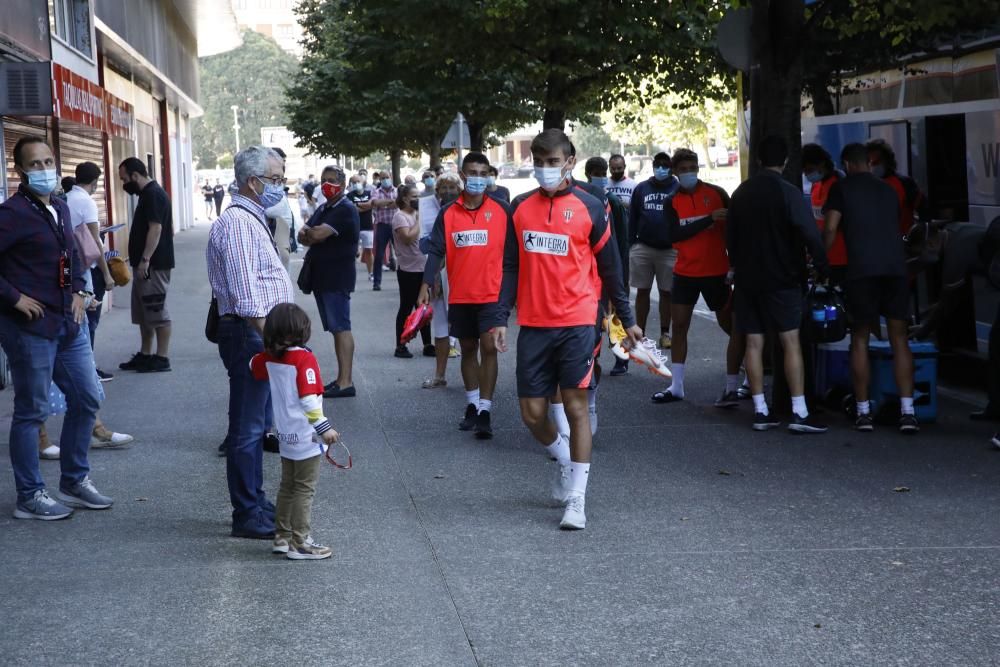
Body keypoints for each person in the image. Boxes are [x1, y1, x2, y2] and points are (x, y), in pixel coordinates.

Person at [494, 129, 641, 530]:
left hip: (578, 321)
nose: (544, 169)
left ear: (570, 161)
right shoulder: (520, 208)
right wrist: (499, 316)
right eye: (538, 162)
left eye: (552, 161)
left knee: (576, 407)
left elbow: (611, 268)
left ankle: (577, 500)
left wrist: (626, 320)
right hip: (534, 325)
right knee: (532, 414)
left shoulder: (592, 206)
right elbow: (510, 265)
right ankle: (562, 457)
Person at [0, 136, 109, 520]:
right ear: (20, 171)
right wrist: (14, 298)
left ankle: (74, 481)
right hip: (29, 327)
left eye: (49, 161)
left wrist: (80, 288)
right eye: (35, 164)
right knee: (32, 411)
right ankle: (30, 495)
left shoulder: (60, 207)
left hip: (68, 322)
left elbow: (74, 255)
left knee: (87, 396)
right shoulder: (11, 214)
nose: (45, 169)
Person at [207, 145, 295, 539]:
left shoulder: (251, 218)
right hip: (250, 334)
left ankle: (255, 502)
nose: (281, 187)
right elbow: (246, 296)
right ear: (253, 182)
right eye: (275, 180)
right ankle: (246, 512)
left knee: (256, 425)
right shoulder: (240, 223)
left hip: (256, 333)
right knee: (246, 428)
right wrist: (275, 342)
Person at [727, 135, 829, 434]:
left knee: (754, 343)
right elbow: (809, 232)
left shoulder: (741, 193)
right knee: (790, 341)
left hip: (748, 279)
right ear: (785, 162)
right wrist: (821, 264)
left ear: (758, 160)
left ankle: (760, 409)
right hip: (783, 278)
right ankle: (799, 410)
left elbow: (731, 238)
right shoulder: (789, 192)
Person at [823, 143, 918, 434]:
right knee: (899, 338)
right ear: (868, 162)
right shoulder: (889, 190)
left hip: (861, 270)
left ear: (848, 164)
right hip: (895, 269)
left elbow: (829, 229)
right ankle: (908, 411)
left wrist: (819, 259)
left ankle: (864, 412)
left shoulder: (842, 189)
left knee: (861, 338)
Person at [420, 153, 509, 438]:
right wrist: (426, 282)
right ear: (462, 174)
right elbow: (435, 250)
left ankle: (485, 409)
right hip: (460, 295)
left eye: (484, 172)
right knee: (468, 350)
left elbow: (513, 257)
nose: (478, 178)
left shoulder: (502, 211)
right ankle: (471, 405)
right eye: (473, 172)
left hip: (492, 295)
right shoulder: (448, 213)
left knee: (489, 348)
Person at [652, 148, 744, 407]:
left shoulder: (717, 194)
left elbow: (733, 232)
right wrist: (708, 219)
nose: (689, 173)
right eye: (683, 169)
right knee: (679, 327)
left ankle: (737, 383)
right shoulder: (671, 201)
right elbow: (673, 236)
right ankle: (677, 386)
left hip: (717, 272)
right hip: (685, 273)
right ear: (675, 172)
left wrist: (734, 266)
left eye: (692, 167)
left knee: (732, 327)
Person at [250, 303, 340, 560]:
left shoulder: (269, 358)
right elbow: (309, 399)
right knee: (304, 489)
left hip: (285, 434)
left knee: (288, 486)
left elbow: (252, 366)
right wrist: (325, 428)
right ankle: (300, 542)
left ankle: (283, 535)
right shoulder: (304, 358)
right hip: (306, 434)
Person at [298, 165, 360, 399]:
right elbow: (302, 234)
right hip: (324, 277)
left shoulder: (344, 209)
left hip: (337, 277)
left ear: (343, 185)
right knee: (335, 329)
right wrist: (310, 234)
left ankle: (346, 381)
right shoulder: (326, 207)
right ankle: (342, 379)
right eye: (324, 180)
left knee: (341, 327)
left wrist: (311, 234)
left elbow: (313, 235)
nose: (326, 184)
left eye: (332, 180)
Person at [117, 157, 174, 373]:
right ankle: (146, 354)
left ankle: (161, 358)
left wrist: (145, 260)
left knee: (156, 308)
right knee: (144, 312)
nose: (124, 183)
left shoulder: (153, 194)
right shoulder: (146, 194)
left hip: (154, 265)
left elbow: (156, 228)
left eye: (125, 178)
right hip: (146, 265)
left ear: (135, 175)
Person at [66, 161, 116, 381]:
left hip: (69, 267)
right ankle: (88, 370)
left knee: (78, 319)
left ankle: (80, 368)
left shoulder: (66, 198)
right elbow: (95, 241)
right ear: (95, 181)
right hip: (86, 269)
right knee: (89, 321)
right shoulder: (86, 202)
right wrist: (106, 274)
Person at [584, 157, 631, 377]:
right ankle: (594, 358)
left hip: (612, 269)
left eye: (604, 173)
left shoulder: (612, 201)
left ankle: (622, 357)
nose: (601, 176)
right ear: (588, 174)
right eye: (597, 172)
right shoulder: (584, 200)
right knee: (595, 318)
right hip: (591, 272)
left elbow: (622, 243)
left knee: (616, 316)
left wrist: (621, 276)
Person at [629, 151, 679, 352]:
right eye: (658, 164)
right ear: (653, 166)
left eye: (665, 165)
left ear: (671, 167)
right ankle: (640, 333)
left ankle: (665, 333)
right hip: (644, 246)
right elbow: (633, 218)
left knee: (667, 292)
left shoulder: (677, 188)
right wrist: (631, 244)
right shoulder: (642, 188)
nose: (661, 168)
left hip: (669, 249)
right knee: (642, 291)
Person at [418, 173, 463, 389]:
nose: (447, 191)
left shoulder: (466, 209)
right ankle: (440, 374)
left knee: (467, 329)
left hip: (462, 275)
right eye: (443, 187)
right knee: (441, 327)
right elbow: (423, 245)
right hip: (437, 274)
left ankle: (473, 378)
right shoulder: (426, 207)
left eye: (452, 186)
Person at [391, 184, 432, 358]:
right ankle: (400, 345)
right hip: (408, 269)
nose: (417, 200)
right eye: (414, 196)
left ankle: (428, 344)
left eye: (418, 196)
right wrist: (419, 220)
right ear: (405, 198)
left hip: (423, 266)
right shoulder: (400, 217)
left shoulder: (416, 214)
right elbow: (407, 238)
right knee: (407, 307)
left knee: (423, 307)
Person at [802, 144, 846, 284]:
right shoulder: (817, 185)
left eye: (809, 169)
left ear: (821, 164)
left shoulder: (838, 184)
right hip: (823, 256)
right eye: (804, 171)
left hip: (840, 257)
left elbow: (831, 228)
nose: (807, 174)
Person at [867, 139, 927, 237]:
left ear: (887, 160)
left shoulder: (904, 182)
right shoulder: (864, 186)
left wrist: (918, 237)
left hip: (903, 243)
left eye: (876, 162)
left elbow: (924, 209)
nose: (873, 166)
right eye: (870, 163)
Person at [370, 171, 397, 291]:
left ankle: (403, 279)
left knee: (401, 253)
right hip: (382, 225)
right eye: (383, 178)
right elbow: (375, 203)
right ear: (380, 180)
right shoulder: (376, 191)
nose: (385, 179)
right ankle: (377, 282)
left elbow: (399, 203)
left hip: (396, 225)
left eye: (387, 177)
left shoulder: (396, 190)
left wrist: (383, 204)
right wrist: (390, 202)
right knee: (379, 255)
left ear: (391, 177)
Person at [346, 175, 375, 281]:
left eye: (358, 181)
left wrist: (358, 205)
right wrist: (365, 206)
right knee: (352, 251)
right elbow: (352, 209)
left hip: (368, 226)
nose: (356, 183)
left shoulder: (369, 193)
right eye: (354, 182)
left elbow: (372, 205)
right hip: (354, 227)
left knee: (368, 250)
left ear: (363, 182)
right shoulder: (349, 195)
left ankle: (370, 273)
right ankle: (350, 274)